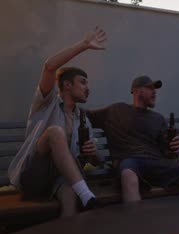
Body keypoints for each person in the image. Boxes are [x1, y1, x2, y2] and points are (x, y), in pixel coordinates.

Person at [8, 27, 106, 216]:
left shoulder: (82, 119)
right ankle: (88, 196)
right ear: (67, 85)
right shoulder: (47, 103)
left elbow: (97, 161)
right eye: (83, 82)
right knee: (55, 132)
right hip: (35, 176)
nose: (88, 88)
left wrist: (94, 154)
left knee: (70, 194)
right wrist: (84, 45)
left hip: (61, 179)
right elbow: (49, 66)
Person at [88, 75, 179, 203]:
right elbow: (84, 115)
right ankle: (137, 221)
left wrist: (173, 148)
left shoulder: (158, 118)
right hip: (130, 162)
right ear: (136, 91)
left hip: (155, 162)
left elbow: (167, 153)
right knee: (128, 174)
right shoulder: (116, 110)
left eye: (155, 89)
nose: (155, 92)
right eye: (150, 88)